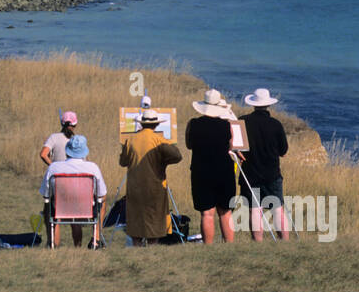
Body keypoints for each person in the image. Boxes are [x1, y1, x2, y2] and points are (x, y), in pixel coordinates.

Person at [120, 109, 183, 245]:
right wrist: (164, 160)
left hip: (134, 187)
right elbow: (177, 156)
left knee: (136, 223)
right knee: (154, 224)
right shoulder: (159, 140)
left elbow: (123, 162)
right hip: (154, 187)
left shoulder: (130, 139)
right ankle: (151, 251)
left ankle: (137, 250)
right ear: (156, 125)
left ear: (142, 124)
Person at [185, 89, 237, 245]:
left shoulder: (193, 124)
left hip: (201, 171)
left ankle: (208, 248)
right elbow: (231, 145)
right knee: (226, 212)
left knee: (207, 214)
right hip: (224, 171)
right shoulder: (227, 125)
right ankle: (229, 246)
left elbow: (189, 145)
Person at [40, 133, 107, 248]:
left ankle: (52, 242)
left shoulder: (54, 168)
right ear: (84, 152)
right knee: (103, 200)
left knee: (48, 206)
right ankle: (95, 239)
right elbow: (101, 194)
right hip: (86, 208)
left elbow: (45, 195)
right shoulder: (93, 168)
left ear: (67, 151)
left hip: (60, 208)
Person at [240, 87, 290, 240]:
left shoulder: (243, 121)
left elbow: (237, 146)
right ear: (268, 105)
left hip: (250, 173)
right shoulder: (275, 124)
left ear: (253, 104)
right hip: (272, 174)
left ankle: (258, 243)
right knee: (277, 209)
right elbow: (283, 151)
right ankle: (285, 242)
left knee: (255, 210)